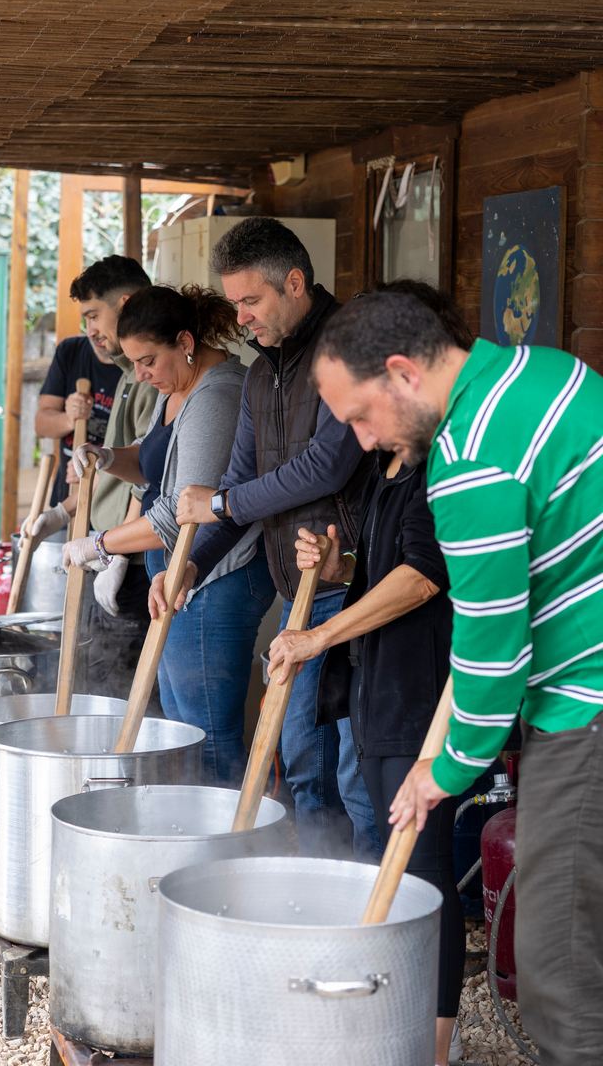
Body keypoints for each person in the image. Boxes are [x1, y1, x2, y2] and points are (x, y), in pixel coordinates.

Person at [312, 288, 603, 1066]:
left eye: (361, 415)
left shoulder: (469, 459)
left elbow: (490, 648)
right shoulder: (546, 372)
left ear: (403, 372)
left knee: (559, 971)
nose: (365, 441)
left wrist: (442, 771)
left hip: (588, 705)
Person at [268, 282, 474, 1066]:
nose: (353, 432)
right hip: (381, 691)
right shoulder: (389, 467)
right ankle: (386, 1018)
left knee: (421, 875)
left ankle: (432, 1044)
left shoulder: (438, 469)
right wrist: (336, 566)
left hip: (424, 695)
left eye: (358, 413)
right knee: (388, 857)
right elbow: (384, 571)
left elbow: (422, 578)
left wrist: (319, 636)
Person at [156, 216, 379, 859]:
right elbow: (243, 482)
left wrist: (222, 501)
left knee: (351, 770)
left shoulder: (347, 348)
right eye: (234, 304)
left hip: (351, 584)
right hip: (297, 589)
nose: (242, 318)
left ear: (296, 282)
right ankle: (315, 887)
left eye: (251, 301)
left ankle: (364, 904)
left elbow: (326, 466)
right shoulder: (262, 373)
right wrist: (193, 566)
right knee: (304, 757)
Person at [68, 284, 275, 784]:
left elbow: (178, 515)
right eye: (132, 361)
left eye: (147, 360)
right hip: (180, 576)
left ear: (185, 341)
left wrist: (98, 545)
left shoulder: (218, 395)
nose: (139, 374)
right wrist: (106, 457)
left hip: (214, 576)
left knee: (205, 731)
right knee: (182, 720)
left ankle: (227, 842)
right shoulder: (178, 387)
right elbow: (150, 459)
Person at [28, 255, 156, 700]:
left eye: (93, 315)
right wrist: (63, 513)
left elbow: (147, 477)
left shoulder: (149, 377)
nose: (90, 330)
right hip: (106, 547)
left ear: (124, 303)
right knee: (96, 682)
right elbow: (117, 472)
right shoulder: (129, 373)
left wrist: (117, 550)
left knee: (119, 694)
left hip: (132, 559)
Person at [35, 277, 123, 504]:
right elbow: (41, 423)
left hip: (115, 509)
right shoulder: (70, 351)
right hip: (67, 497)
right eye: (86, 319)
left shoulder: (142, 370)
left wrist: (97, 469)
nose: (90, 331)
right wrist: (69, 418)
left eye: (95, 317)